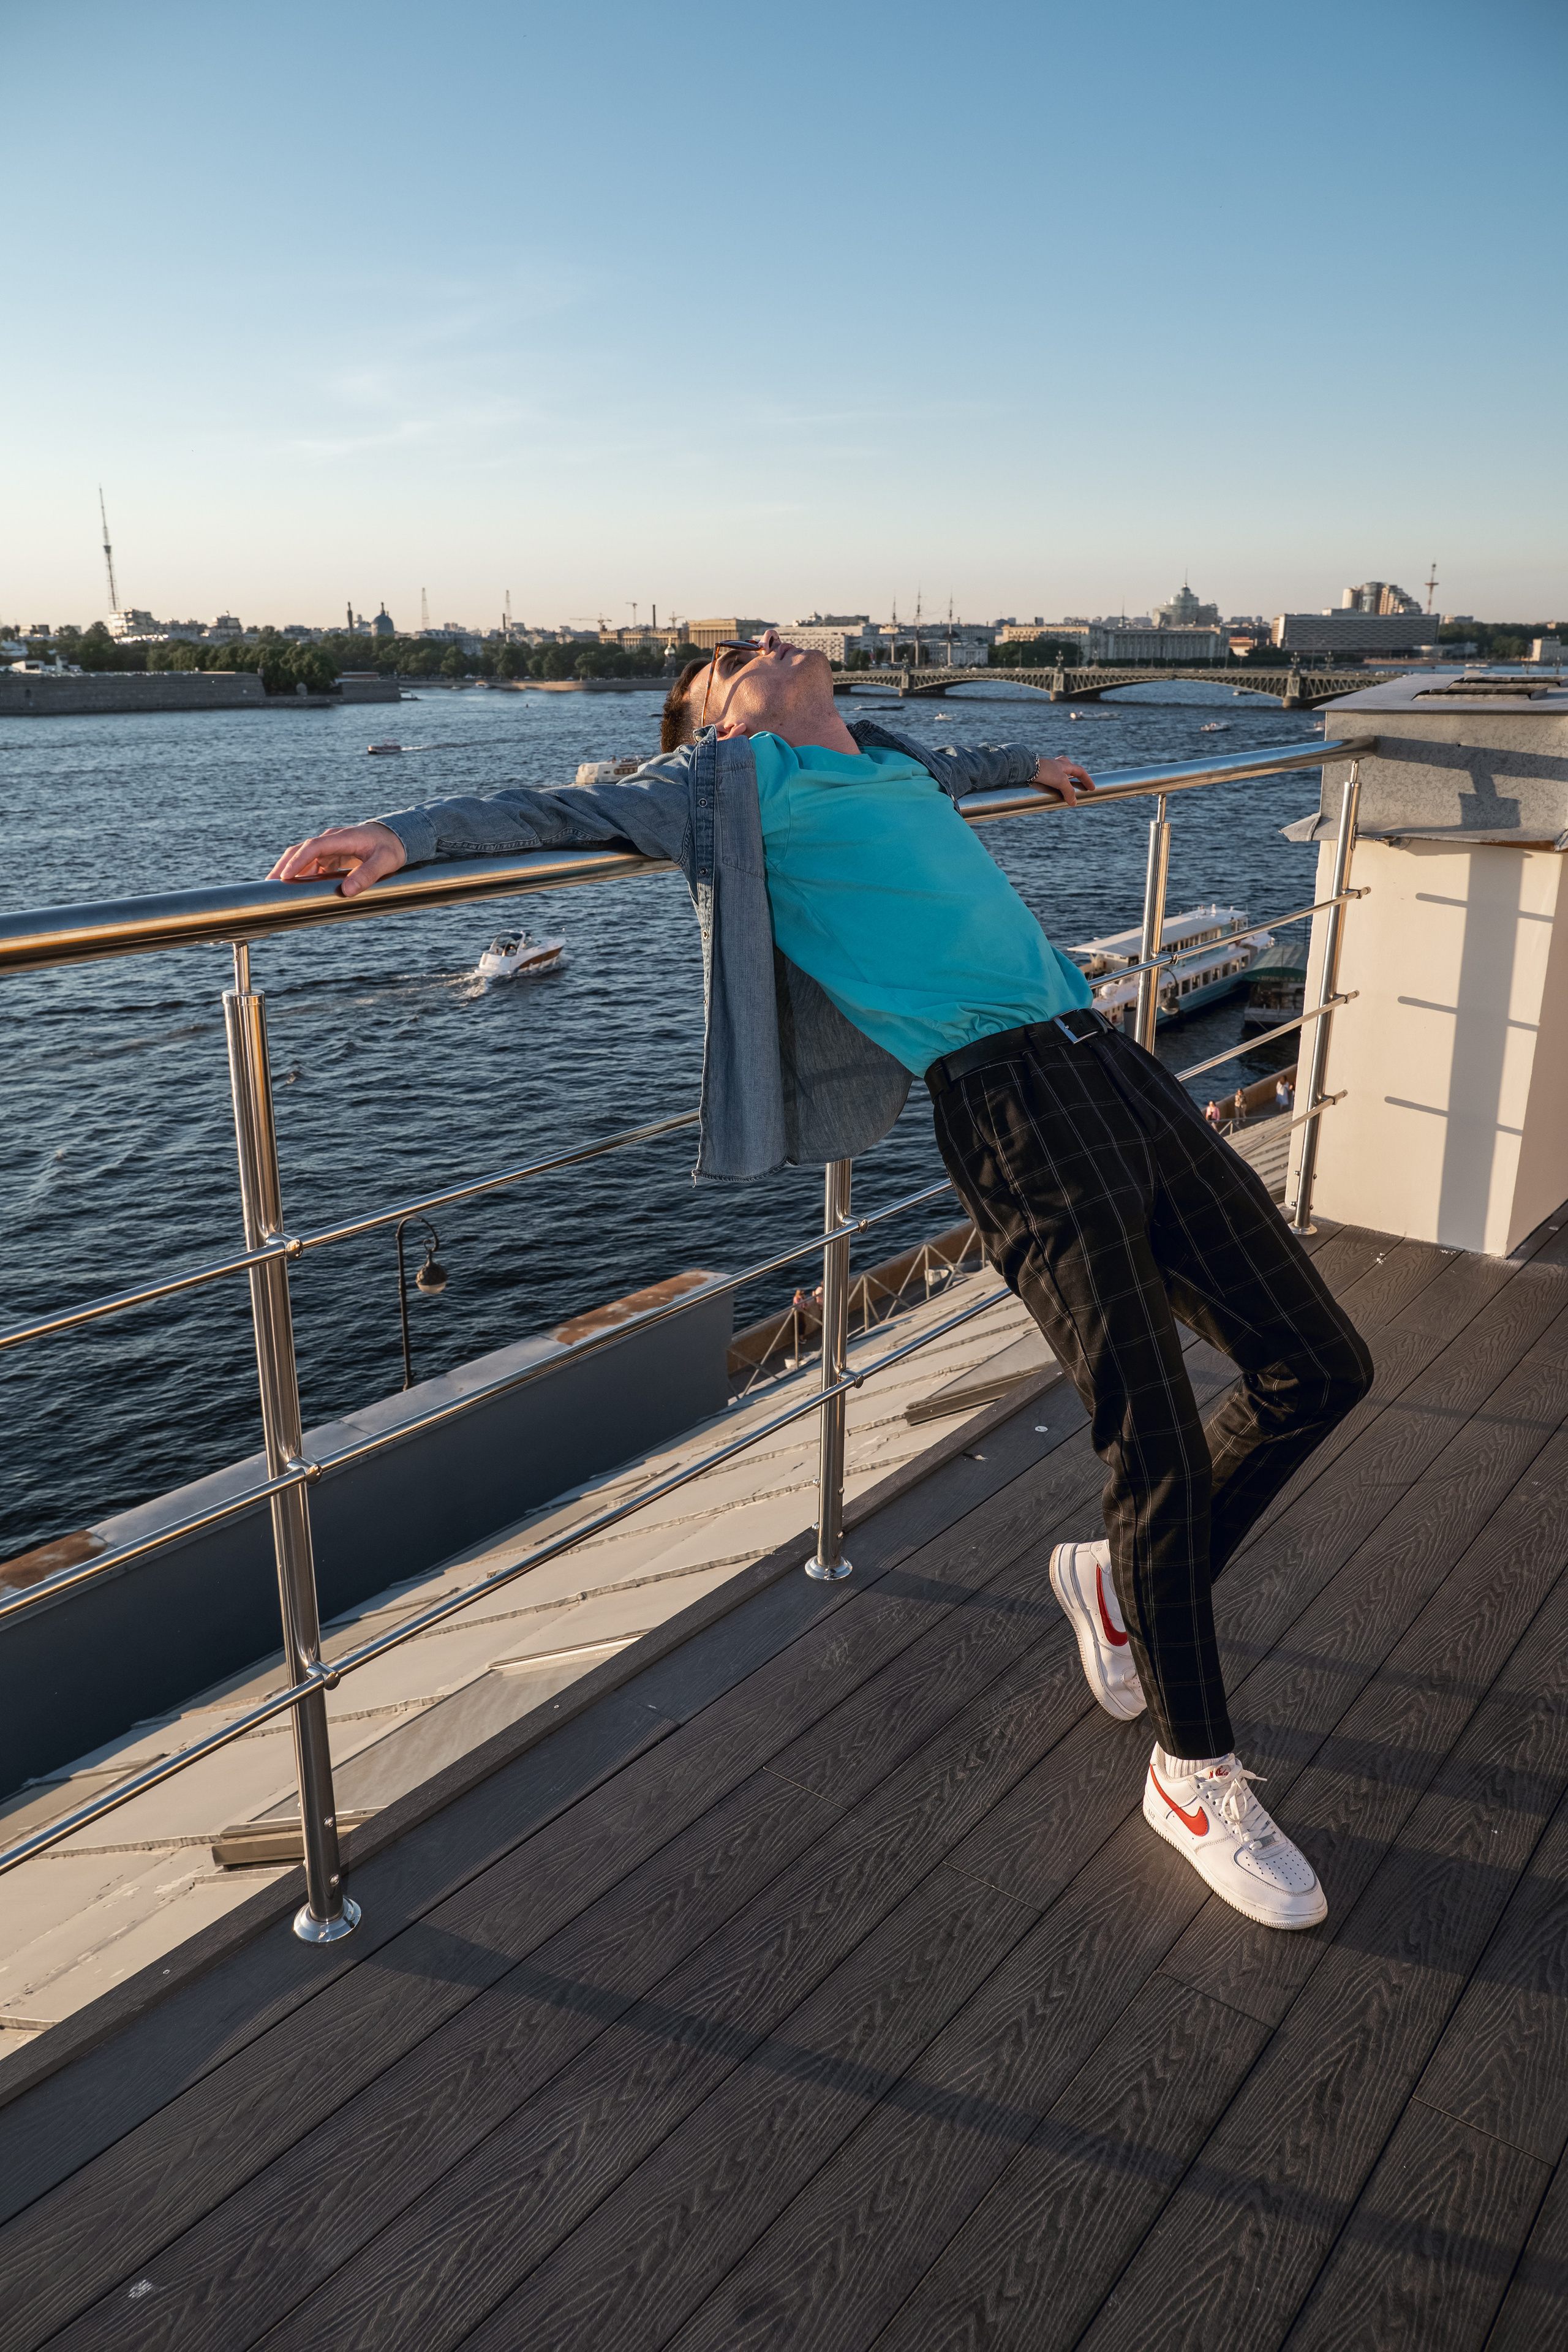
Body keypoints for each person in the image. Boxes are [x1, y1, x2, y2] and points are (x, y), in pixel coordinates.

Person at [271, 629, 1371, 1932]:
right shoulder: (726, 785)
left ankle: (1115, 1584)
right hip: (1011, 1106)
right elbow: (557, 805)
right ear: (717, 720)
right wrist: (405, 832)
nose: (763, 640)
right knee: (1154, 1442)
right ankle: (1193, 1776)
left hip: (1111, 1062)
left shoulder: (892, 756)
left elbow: (965, 757)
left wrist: (1034, 755)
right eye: (732, 654)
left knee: (1319, 1367)